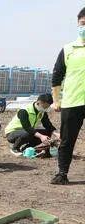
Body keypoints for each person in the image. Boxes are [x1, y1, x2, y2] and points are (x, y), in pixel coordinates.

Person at [50, 7, 85, 185]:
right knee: (66, 140)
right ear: (78, 23)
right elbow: (56, 76)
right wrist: (56, 100)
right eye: (83, 23)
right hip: (72, 102)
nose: (84, 27)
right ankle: (62, 173)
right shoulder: (68, 49)